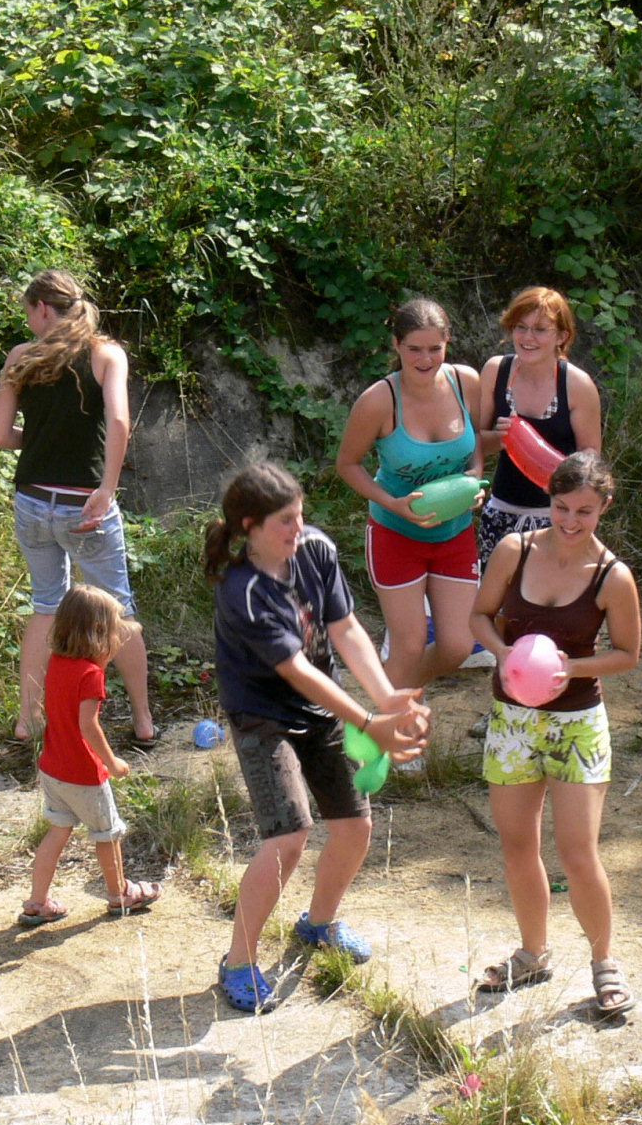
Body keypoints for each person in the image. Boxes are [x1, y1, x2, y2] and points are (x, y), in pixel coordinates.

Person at [208, 463, 429, 1012]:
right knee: (289, 837)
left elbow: (345, 629)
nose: (298, 529)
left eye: (300, 515)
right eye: (285, 521)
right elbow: (296, 670)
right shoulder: (244, 590)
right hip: (261, 715)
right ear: (250, 526)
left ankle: (318, 924)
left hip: (318, 706)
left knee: (355, 826)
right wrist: (368, 723)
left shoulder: (316, 550)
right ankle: (238, 961)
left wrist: (387, 700)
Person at [468, 452, 642, 1017]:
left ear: (604, 507)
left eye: (584, 511)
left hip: (576, 725)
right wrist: (505, 654)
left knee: (578, 852)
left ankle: (605, 964)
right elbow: (479, 616)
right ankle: (532, 955)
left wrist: (572, 669)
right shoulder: (514, 550)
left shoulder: (612, 576)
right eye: (562, 507)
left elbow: (627, 654)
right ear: (550, 500)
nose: (570, 521)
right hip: (513, 722)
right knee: (517, 844)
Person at [0, 269, 161, 750]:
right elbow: (120, 421)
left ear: (43, 308)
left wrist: (39, 441)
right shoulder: (107, 355)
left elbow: (0, 436)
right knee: (118, 610)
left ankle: (28, 721)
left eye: (28, 312)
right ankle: (143, 721)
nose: (28, 323)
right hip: (83, 503)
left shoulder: (20, 357)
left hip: (32, 500)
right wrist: (107, 487)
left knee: (46, 607)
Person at [335, 297, 485, 711]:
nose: (426, 359)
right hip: (395, 533)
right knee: (410, 643)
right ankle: (388, 724)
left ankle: (390, 695)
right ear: (396, 345)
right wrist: (393, 503)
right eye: (414, 349)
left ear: (448, 342)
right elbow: (347, 464)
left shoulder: (466, 382)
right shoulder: (378, 400)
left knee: (457, 646)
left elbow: (477, 440)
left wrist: (475, 476)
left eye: (435, 348)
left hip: (454, 531)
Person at [21, 584, 155, 924]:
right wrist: (112, 762)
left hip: (52, 767)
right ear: (98, 634)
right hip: (83, 773)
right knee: (108, 835)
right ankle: (120, 894)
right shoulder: (91, 675)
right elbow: (88, 726)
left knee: (57, 832)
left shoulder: (57, 662)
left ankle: (37, 901)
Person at [472, 286, 605, 570]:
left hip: (558, 517)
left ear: (562, 336)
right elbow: (472, 441)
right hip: (501, 510)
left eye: (540, 330)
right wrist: (504, 439)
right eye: (520, 327)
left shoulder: (577, 385)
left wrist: (566, 485)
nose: (528, 337)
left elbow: (591, 456)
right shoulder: (496, 371)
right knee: (495, 595)